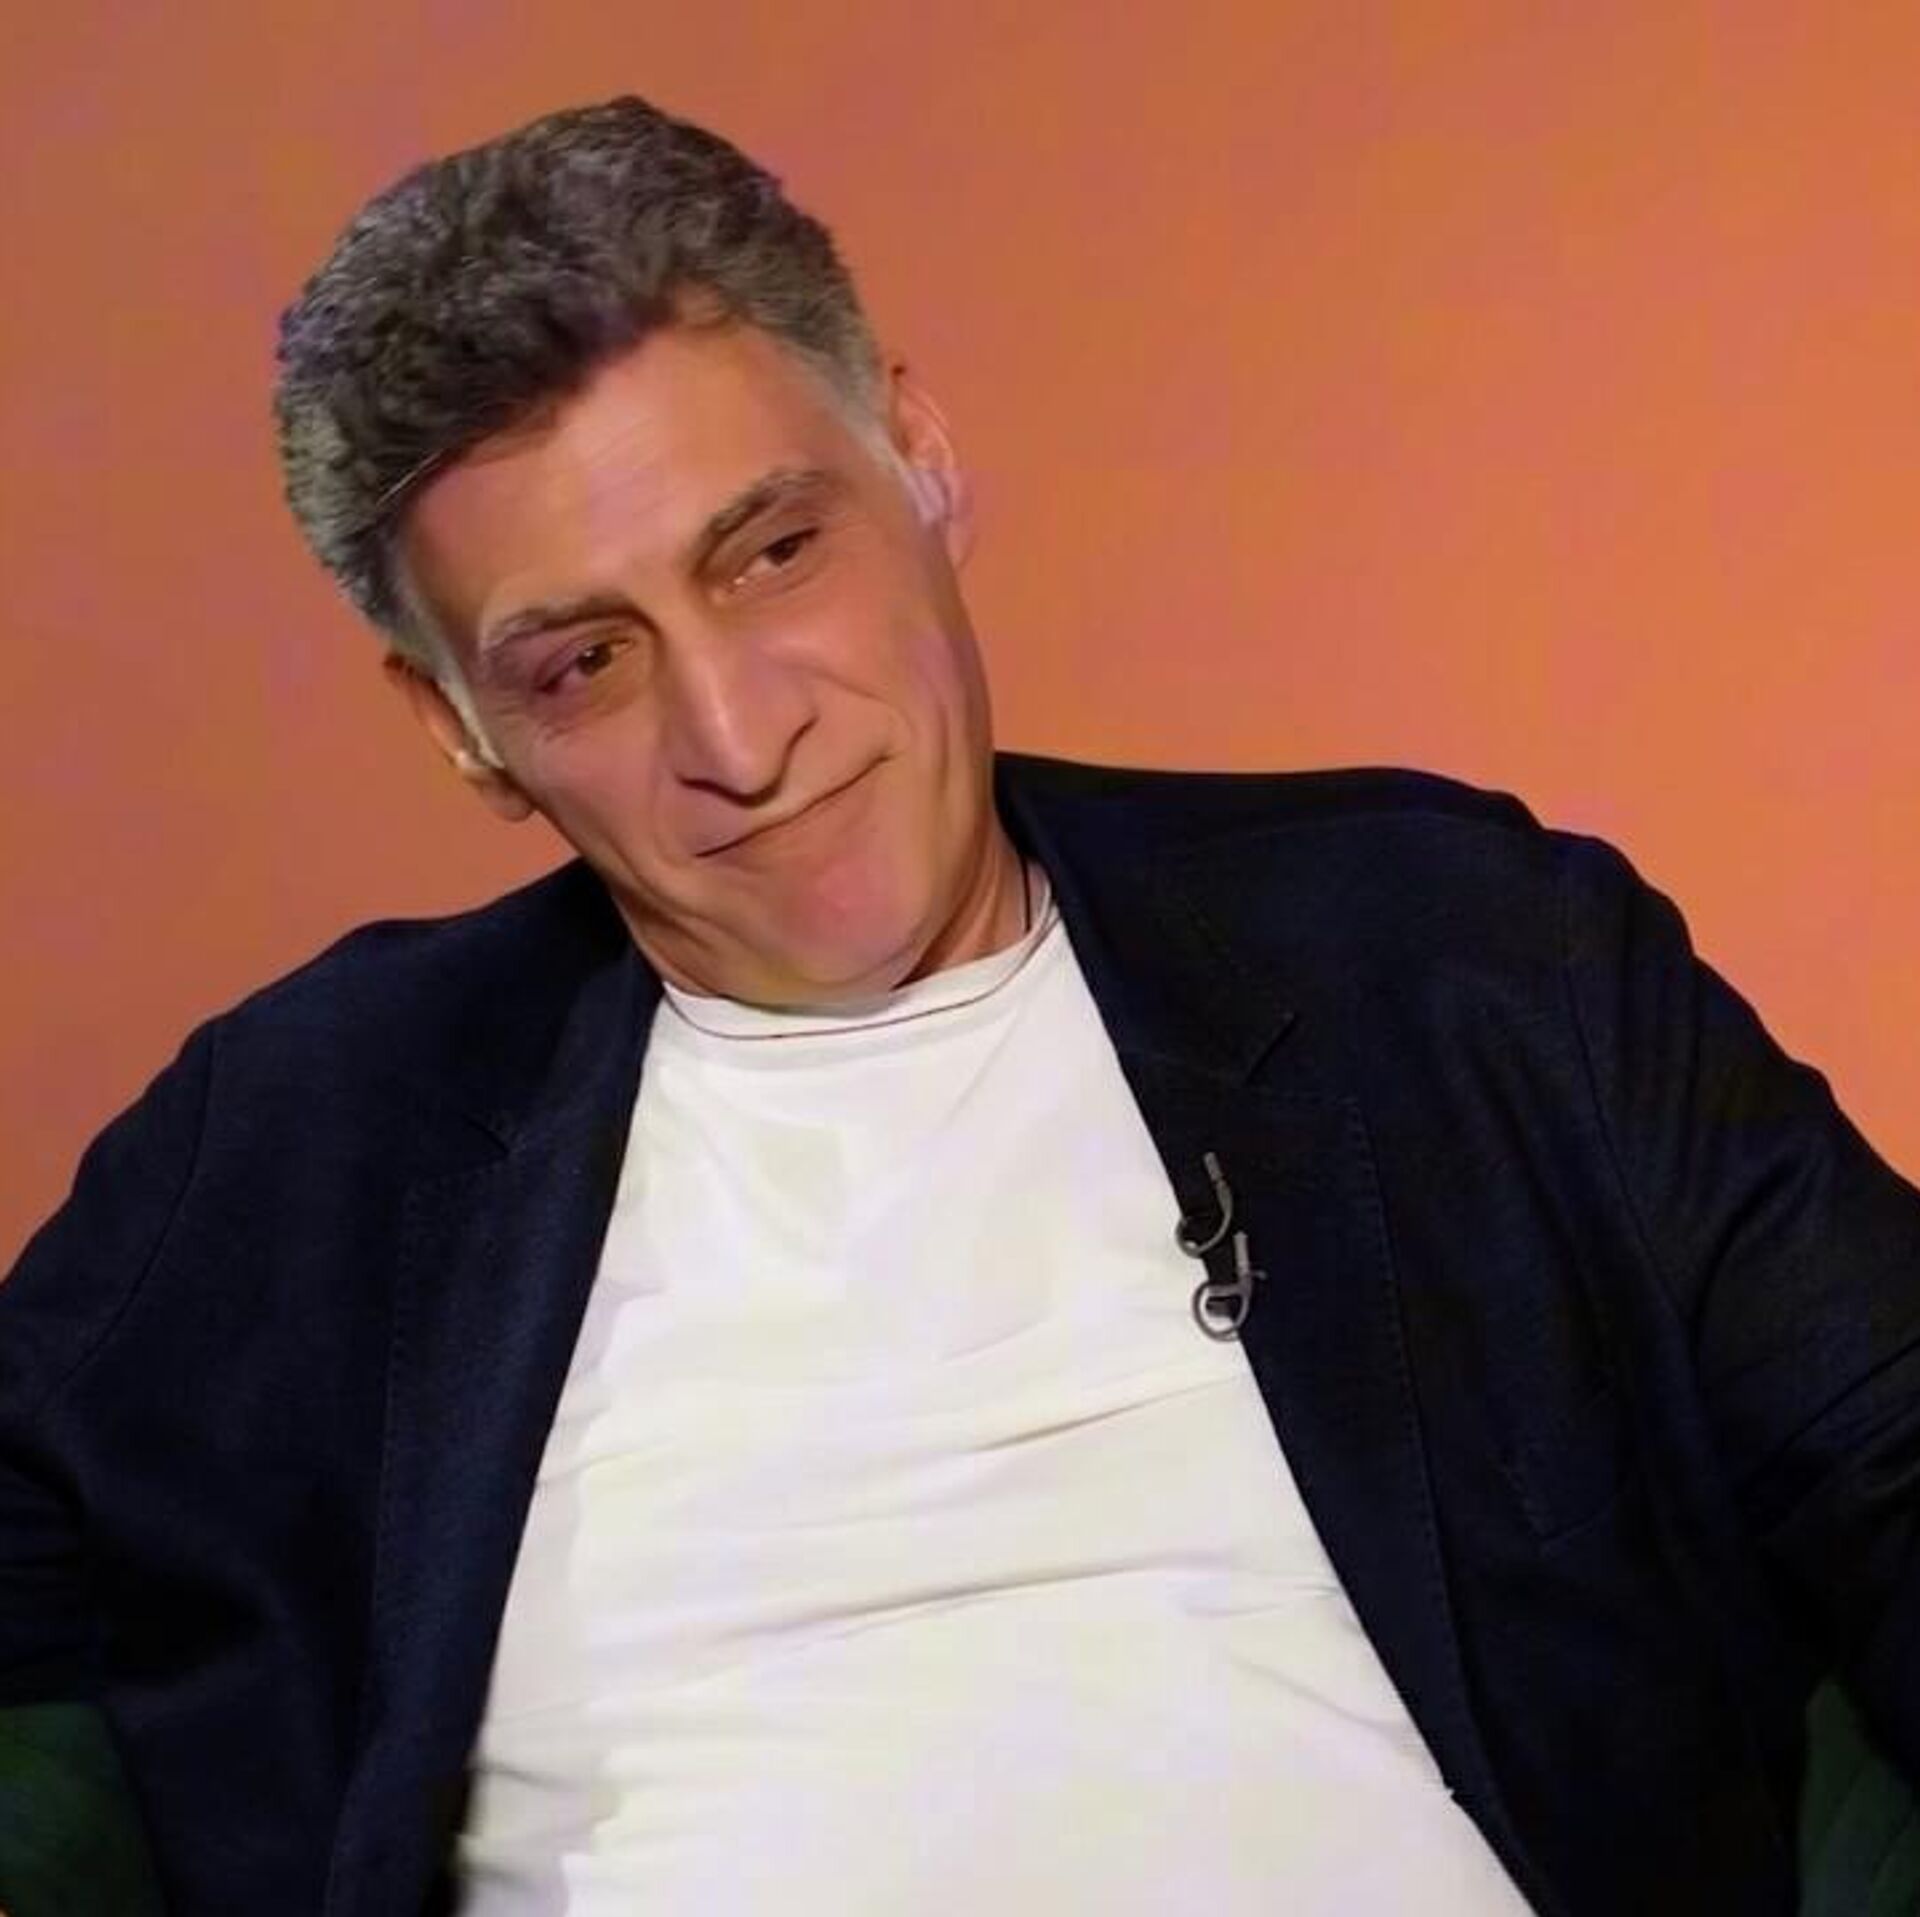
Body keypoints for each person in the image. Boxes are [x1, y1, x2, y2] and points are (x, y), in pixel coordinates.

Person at [1, 94, 1915, 1917]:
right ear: (459, 726)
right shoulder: (310, 1140)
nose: (739, 734)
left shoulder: (1458, 964)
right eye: (585, 664)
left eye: (772, 551)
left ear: (918, 453)